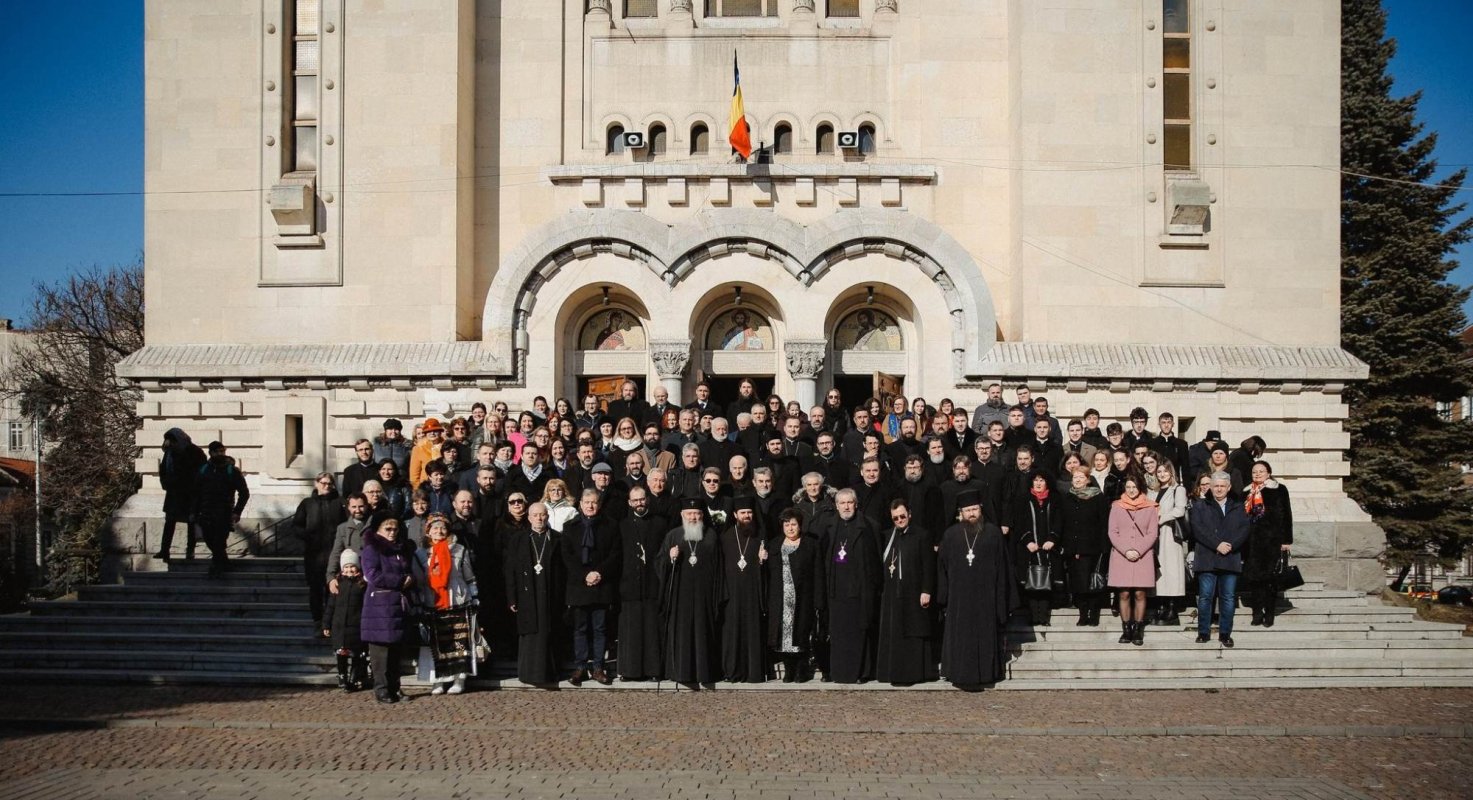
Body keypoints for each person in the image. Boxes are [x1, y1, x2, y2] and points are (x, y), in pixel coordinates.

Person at [936, 490, 1015, 689]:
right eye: (967, 510)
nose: (971, 514)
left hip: (986, 599)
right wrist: (943, 597)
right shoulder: (951, 535)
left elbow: (1003, 569)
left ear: (981, 510)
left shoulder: (993, 533)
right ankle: (958, 674)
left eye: (974, 509)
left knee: (985, 637)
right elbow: (942, 569)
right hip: (959, 600)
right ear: (960, 512)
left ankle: (986, 675)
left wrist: (1003, 600)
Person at [559, 489, 621, 686]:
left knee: (600, 628)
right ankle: (580, 667)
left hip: (602, 584)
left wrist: (599, 573)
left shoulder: (611, 525)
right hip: (579, 585)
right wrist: (584, 575)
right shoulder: (570, 527)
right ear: (581, 504)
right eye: (587, 502)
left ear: (599, 504)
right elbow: (567, 556)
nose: (590, 506)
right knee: (580, 628)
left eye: (594, 502)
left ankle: (598, 667)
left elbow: (615, 553)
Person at [413, 513, 479, 696]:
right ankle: (437, 681)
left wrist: (474, 598)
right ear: (428, 532)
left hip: (457, 600)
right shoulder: (420, 554)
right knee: (434, 645)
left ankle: (459, 679)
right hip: (432, 602)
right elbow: (418, 581)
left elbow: (469, 576)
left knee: (459, 643)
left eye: (442, 527)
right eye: (435, 528)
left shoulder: (459, 550)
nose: (439, 531)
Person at [659, 497, 722, 687]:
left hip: (705, 596)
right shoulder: (673, 535)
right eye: (689, 514)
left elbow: (719, 567)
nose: (693, 517)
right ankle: (682, 673)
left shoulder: (711, 535)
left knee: (704, 633)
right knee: (682, 634)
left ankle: (704, 672)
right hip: (680, 596)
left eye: (697, 514)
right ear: (682, 515)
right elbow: (659, 563)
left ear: (702, 516)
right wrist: (670, 559)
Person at [822, 488, 882, 684]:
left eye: (850, 503)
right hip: (837, 591)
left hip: (860, 590)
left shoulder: (868, 526)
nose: (846, 506)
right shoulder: (830, 527)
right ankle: (839, 673)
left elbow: (875, 560)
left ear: (856, 504)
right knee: (839, 634)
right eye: (842, 503)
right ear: (836, 506)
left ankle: (861, 673)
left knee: (860, 632)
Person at [875, 499, 937, 686]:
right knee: (894, 634)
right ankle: (891, 673)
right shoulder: (888, 536)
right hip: (892, 594)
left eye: (902, 516)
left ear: (909, 514)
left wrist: (926, 590)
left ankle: (914, 673)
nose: (900, 520)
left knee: (913, 632)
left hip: (914, 592)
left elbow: (928, 566)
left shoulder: (922, 535)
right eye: (895, 518)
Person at [504, 502, 562, 687]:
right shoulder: (518, 539)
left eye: (542, 514)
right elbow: (510, 569)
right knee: (529, 632)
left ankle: (547, 673)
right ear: (529, 518)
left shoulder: (557, 539)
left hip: (549, 592)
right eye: (535, 515)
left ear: (547, 516)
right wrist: (512, 597)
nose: (539, 518)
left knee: (547, 630)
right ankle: (528, 673)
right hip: (526, 593)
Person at [1190, 472, 1251, 647]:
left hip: (1230, 557)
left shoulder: (1238, 506)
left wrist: (1230, 545)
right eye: (1215, 486)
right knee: (1205, 597)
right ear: (1210, 487)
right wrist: (1217, 544)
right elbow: (1198, 529)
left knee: (1228, 598)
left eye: (1222, 486)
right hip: (1207, 557)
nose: (1218, 489)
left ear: (1229, 487)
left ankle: (1225, 633)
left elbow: (1244, 529)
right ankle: (1203, 632)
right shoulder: (1200, 505)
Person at [360, 516, 415, 704]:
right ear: (378, 530)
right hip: (379, 607)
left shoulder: (399, 549)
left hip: (397, 605)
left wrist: (409, 578)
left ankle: (394, 687)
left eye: (395, 529)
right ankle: (382, 689)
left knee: (395, 652)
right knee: (380, 652)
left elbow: (406, 569)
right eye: (388, 529)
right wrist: (399, 581)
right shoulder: (372, 549)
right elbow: (372, 574)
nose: (392, 532)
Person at [617, 485, 669, 681]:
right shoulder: (622, 525)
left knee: (652, 630)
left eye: (642, 499)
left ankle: (654, 670)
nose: (639, 503)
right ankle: (630, 671)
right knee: (631, 630)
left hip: (652, 584)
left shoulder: (660, 523)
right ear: (630, 503)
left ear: (647, 500)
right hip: (630, 585)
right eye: (635, 500)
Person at [766, 508, 822, 683]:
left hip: (803, 597)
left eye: (794, 524)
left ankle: (801, 670)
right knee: (784, 636)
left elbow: (818, 572)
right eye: (787, 524)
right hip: (781, 598)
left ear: (800, 525)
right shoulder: (774, 544)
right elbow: (767, 574)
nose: (790, 528)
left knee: (801, 634)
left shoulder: (811, 544)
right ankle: (789, 670)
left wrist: (818, 600)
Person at [719, 496, 769, 683]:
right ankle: (732, 672)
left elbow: (766, 570)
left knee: (752, 632)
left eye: (749, 512)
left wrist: (763, 560)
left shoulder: (759, 537)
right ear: (735, 515)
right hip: (731, 594)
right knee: (732, 634)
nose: (747, 515)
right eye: (743, 513)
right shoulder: (725, 537)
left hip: (752, 593)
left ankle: (753, 672)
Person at [1241, 461, 1294, 628]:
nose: (1257, 474)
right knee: (1255, 579)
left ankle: (1269, 613)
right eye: (1254, 471)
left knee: (1270, 579)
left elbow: (1287, 514)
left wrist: (1286, 540)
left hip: (1272, 541)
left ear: (1268, 473)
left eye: (1261, 471)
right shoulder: (1246, 491)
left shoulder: (1278, 489)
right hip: (1252, 542)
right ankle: (1257, 612)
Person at [1108, 476, 1159, 646]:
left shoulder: (1151, 507)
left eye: (1134, 487)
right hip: (1121, 555)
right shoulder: (1116, 506)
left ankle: (1138, 629)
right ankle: (1126, 629)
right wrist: (1126, 550)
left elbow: (1153, 533)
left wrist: (1138, 550)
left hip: (1142, 555)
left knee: (1139, 593)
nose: (1131, 490)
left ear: (1140, 488)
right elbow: (1112, 532)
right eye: (1128, 486)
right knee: (1123, 593)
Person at [293, 471, 346, 632]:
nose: (326, 486)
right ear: (316, 484)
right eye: (323, 483)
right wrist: (308, 536)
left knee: (333, 589)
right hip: (314, 555)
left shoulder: (340, 503)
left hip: (334, 554)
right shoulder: (307, 503)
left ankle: (329, 623)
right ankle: (317, 621)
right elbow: (296, 525)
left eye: (329, 483)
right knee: (315, 590)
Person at [1059, 467, 1109, 626]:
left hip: (1093, 547)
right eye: (1075, 477)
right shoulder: (1067, 497)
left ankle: (1093, 614)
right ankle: (1082, 613)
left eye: (1081, 477)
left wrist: (1104, 547)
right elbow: (1063, 523)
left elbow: (1103, 523)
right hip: (1073, 548)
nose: (1078, 480)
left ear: (1088, 479)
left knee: (1092, 584)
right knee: (1078, 584)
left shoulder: (1098, 497)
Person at [192, 441, 250, 578]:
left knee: (219, 539)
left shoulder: (232, 471)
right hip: (206, 512)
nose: (220, 454)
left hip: (224, 512)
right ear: (211, 453)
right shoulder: (204, 470)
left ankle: (216, 567)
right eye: (217, 451)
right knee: (209, 539)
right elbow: (195, 492)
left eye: (222, 451)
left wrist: (237, 511)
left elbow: (244, 493)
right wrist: (194, 511)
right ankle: (224, 562)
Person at [1012, 471, 1059, 627]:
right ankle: (1033, 616)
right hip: (1029, 548)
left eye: (1042, 480)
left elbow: (1059, 521)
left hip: (1048, 547)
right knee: (1031, 582)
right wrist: (1027, 541)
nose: (1038, 483)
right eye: (1036, 480)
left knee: (1046, 581)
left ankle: (1044, 616)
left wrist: (1052, 539)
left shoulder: (1054, 499)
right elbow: (1018, 522)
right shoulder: (1023, 499)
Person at [155, 428, 205, 560]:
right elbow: (163, 469)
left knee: (191, 521)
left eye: (172, 441)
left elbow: (200, 471)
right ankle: (164, 550)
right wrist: (165, 483)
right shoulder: (170, 453)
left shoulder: (194, 451)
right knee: (170, 521)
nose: (170, 444)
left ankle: (190, 551)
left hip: (190, 493)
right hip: (174, 492)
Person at [323, 549, 368, 692]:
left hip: (356, 626)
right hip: (339, 626)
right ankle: (342, 676)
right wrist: (326, 624)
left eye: (352, 566)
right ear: (342, 569)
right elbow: (330, 606)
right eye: (346, 567)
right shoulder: (338, 584)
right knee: (341, 654)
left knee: (356, 654)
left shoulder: (362, 585)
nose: (349, 569)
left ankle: (353, 678)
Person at [1152, 461, 1190, 626]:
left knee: (1171, 571)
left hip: (1170, 534)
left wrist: (1160, 519)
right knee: (1159, 572)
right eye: (1159, 471)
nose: (1161, 474)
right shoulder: (1153, 491)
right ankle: (1162, 608)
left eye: (1165, 471)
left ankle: (1172, 610)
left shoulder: (1178, 489)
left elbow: (1180, 510)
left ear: (1171, 473)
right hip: (1155, 536)